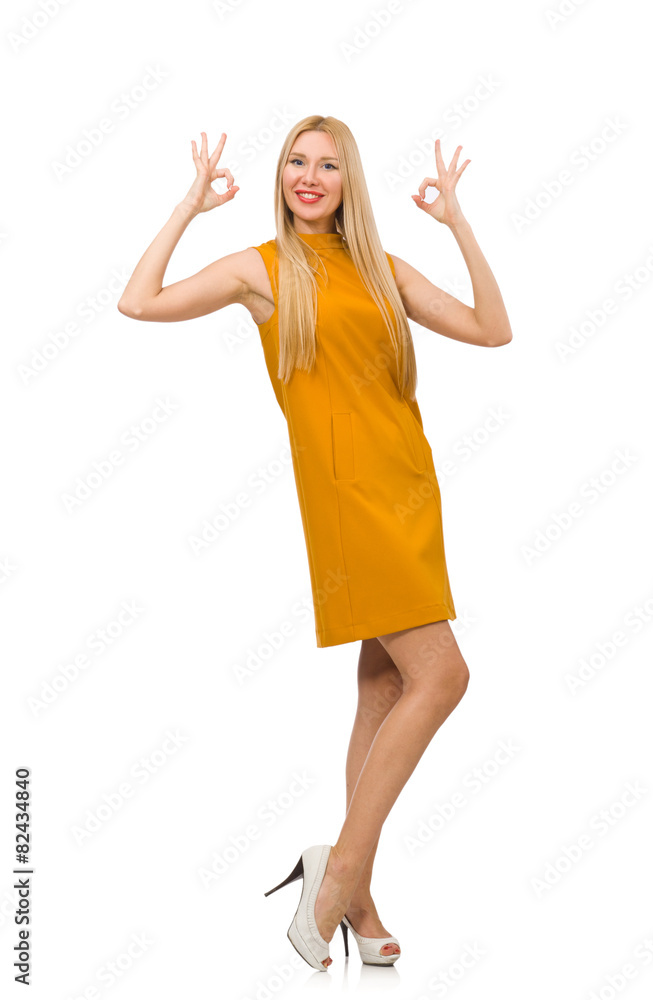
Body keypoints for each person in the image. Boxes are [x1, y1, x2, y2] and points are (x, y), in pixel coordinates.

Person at [118, 116, 512, 971]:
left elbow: (493, 328)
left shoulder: (380, 268)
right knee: (444, 676)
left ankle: (356, 900)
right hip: (348, 502)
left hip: (409, 489)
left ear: (347, 182)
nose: (308, 176)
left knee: (385, 687)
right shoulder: (261, 269)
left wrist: (458, 224)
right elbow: (138, 301)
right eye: (296, 161)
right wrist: (189, 205)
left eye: (327, 165)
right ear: (281, 177)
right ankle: (335, 877)